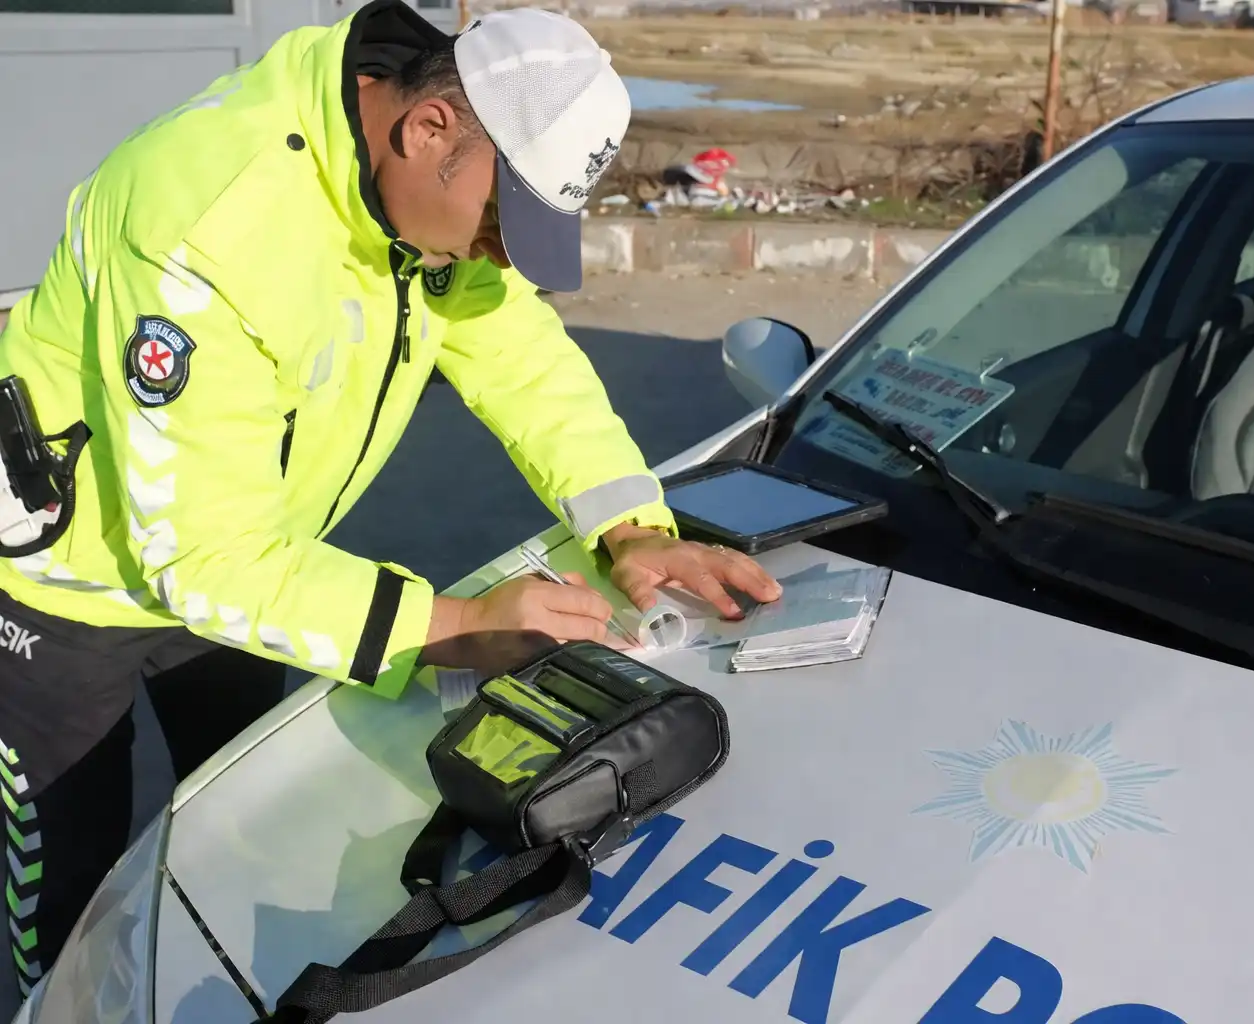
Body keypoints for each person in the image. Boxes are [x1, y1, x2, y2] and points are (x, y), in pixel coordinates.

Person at [0, 0, 780, 996]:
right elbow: (199, 561)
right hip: (71, 586)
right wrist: (452, 626)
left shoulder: (412, 178)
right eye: (504, 220)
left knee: (238, 835)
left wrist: (630, 526)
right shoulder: (211, 228)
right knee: (78, 914)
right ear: (428, 129)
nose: (500, 253)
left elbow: (518, 355)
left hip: (251, 557)